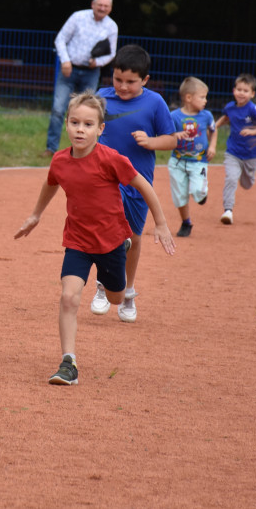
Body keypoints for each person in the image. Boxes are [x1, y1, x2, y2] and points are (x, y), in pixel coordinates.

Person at [15, 92, 175, 385]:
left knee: (115, 298)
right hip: (77, 241)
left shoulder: (112, 159)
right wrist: (36, 215)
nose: (80, 129)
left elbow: (144, 186)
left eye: (88, 124)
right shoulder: (61, 160)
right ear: (66, 124)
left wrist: (161, 223)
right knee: (68, 297)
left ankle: (116, 267)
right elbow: (51, 183)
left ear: (101, 129)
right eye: (74, 122)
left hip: (111, 241)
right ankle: (68, 363)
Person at [90, 44, 175, 323]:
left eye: (130, 82)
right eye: (117, 79)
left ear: (145, 80)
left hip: (138, 182)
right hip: (104, 181)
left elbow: (171, 139)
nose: (122, 87)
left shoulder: (155, 103)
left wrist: (151, 142)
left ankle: (128, 290)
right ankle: (103, 286)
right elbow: (86, 126)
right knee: (106, 234)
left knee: (132, 237)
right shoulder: (101, 98)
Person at [43, 0, 118, 156]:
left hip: (91, 72)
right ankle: (51, 148)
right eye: (100, 5)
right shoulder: (78, 17)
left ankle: (89, 150)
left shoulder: (112, 27)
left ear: (110, 9)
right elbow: (60, 39)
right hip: (69, 69)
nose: (102, 8)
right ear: (93, 4)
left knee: (91, 112)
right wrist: (65, 61)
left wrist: (97, 63)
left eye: (106, 6)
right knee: (58, 109)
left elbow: (111, 53)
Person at [211, 73, 256, 225]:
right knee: (231, 178)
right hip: (233, 152)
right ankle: (228, 211)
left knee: (247, 184)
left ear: (252, 94)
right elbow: (226, 118)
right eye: (239, 89)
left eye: (245, 91)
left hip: (251, 154)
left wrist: (253, 132)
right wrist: (214, 126)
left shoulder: (253, 109)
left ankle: (249, 176)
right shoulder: (230, 107)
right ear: (233, 91)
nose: (241, 93)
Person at [168, 76, 216, 237]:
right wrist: (175, 134)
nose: (205, 101)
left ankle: (202, 194)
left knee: (197, 192)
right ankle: (186, 222)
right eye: (202, 97)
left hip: (198, 161)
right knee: (180, 195)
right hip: (177, 161)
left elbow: (213, 131)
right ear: (188, 98)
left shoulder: (207, 115)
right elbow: (166, 134)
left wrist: (213, 146)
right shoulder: (174, 116)